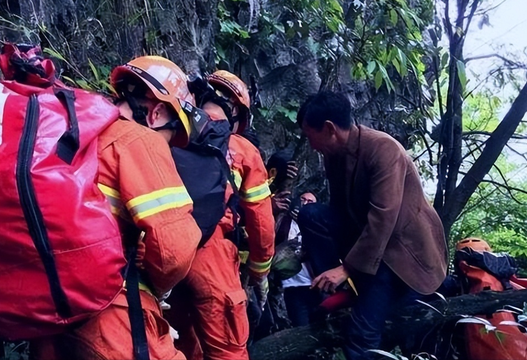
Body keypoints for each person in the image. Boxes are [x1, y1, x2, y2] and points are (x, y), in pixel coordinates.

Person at [29, 55, 202, 360]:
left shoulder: (71, 130)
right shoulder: (139, 140)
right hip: (112, 312)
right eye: (171, 136)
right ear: (158, 112)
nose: (168, 146)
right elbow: (173, 250)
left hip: (48, 314)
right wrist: (157, 286)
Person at [296, 91, 448, 360]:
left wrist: (345, 268)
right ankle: (339, 289)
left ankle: (359, 290)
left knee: (360, 336)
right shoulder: (334, 154)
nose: (311, 145)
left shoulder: (383, 149)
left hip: (397, 254)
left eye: (311, 136)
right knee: (312, 215)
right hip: (367, 244)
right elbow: (340, 210)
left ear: (330, 129)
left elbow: (383, 217)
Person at [168, 70, 275, 360]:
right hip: (211, 253)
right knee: (228, 349)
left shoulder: (167, 131)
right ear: (238, 113)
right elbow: (261, 223)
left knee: (177, 345)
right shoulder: (242, 150)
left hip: (163, 248)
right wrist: (259, 271)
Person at [278, 192, 322, 327]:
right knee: (300, 326)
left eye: (310, 202)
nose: (305, 203)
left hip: (315, 284)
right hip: (292, 285)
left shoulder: (318, 227)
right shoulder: (282, 222)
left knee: (320, 324)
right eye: (303, 199)